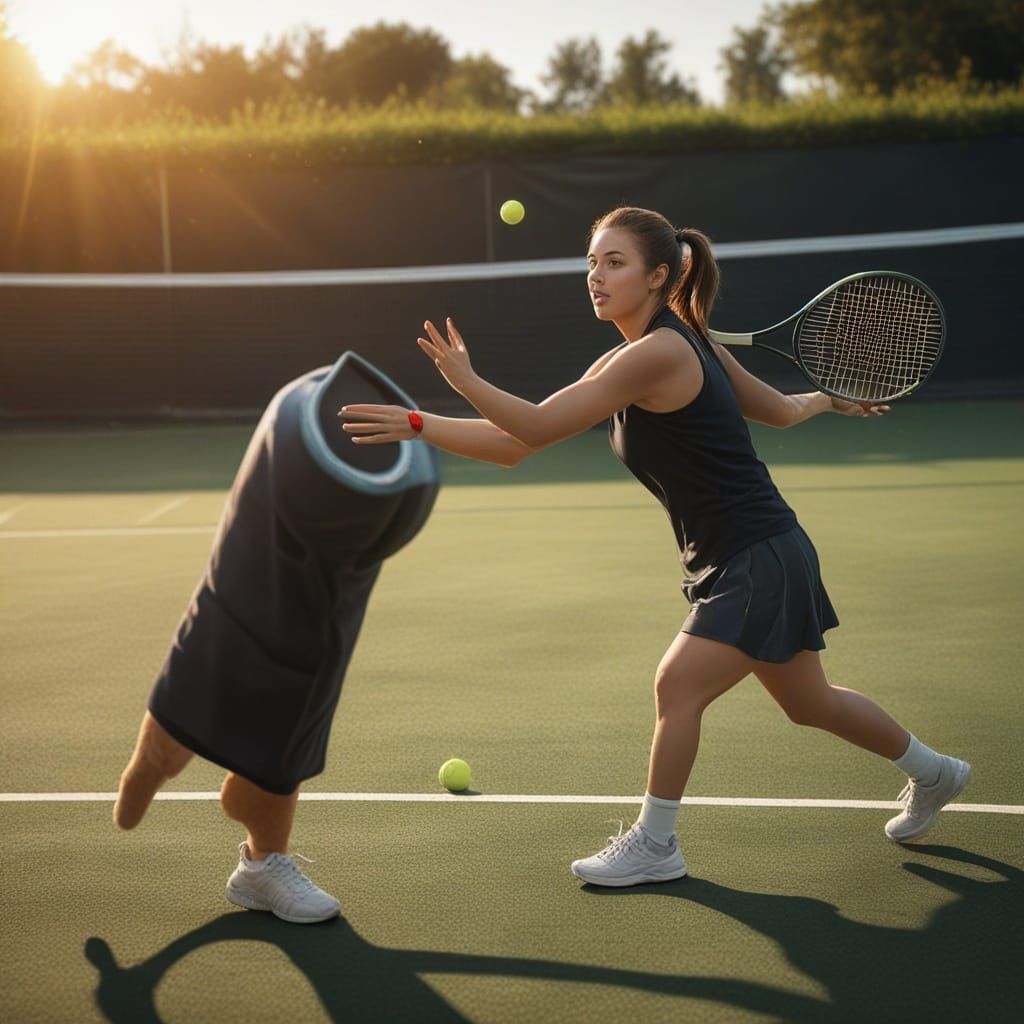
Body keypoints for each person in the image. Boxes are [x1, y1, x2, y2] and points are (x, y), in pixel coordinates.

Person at [339, 206, 970, 888]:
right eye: (592, 263)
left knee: (677, 685)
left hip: (755, 552)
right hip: (748, 553)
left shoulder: (668, 350)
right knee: (809, 703)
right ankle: (936, 773)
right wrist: (419, 421)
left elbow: (544, 424)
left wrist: (464, 380)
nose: (596, 277)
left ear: (659, 276)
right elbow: (517, 445)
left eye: (615, 263)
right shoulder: (636, 356)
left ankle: (656, 843)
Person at [115, 352, 440, 919]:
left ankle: (261, 866)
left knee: (283, 745)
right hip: (238, 598)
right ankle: (148, 767)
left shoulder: (369, 490)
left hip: (315, 631)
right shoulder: (300, 423)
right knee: (181, 717)